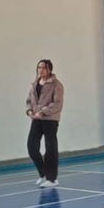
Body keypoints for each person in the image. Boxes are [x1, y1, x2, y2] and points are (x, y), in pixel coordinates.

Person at [26, 58, 64, 187]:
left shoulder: (56, 84)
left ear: (49, 69)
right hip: (36, 119)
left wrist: (42, 112)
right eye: (39, 67)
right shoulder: (34, 84)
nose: (40, 70)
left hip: (50, 120)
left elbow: (57, 103)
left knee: (50, 148)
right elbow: (29, 101)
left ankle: (52, 179)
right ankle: (43, 174)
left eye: (43, 67)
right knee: (32, 147)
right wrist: (29, 111)